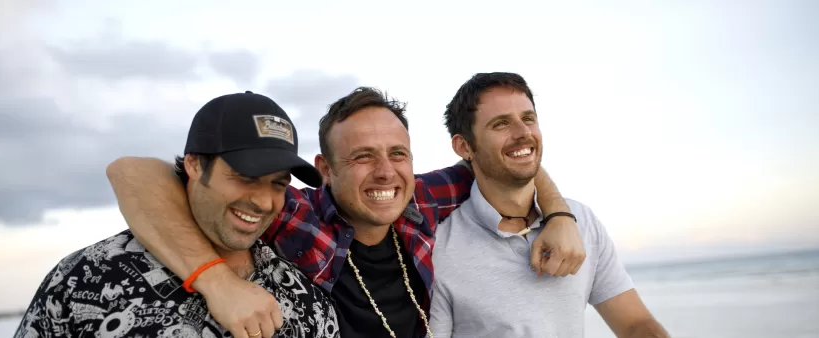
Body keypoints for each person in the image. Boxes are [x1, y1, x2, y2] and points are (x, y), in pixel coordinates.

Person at [105, 87, 586, 338]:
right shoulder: (287, 210)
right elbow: (132, 173)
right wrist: (214, 279)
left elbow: (505, 159)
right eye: (361, 157)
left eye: (397, 154)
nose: (384, 172)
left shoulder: (419, 198)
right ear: (324, 170)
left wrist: (560, 214)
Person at [13, 92, 340, 338]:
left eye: (278, 184)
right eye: (246, 177)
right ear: (195, 164)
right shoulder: (86, 277)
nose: (263, 202)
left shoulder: (306, 302)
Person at [428, 72, 670, 338]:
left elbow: (636, 325)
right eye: (501, 124)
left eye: (529, 119)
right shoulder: (442, 248)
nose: (523, 133)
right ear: (464, 146)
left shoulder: (582, 220)